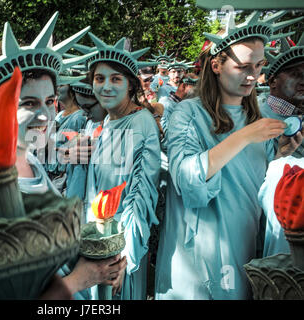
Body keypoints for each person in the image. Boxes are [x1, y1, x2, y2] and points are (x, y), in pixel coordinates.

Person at [0, 12, 126, 300]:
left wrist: (102, 253)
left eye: (50, 101)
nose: (45, 115)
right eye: (28, 102)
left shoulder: (29, 161)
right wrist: (81, 279)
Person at [155, 11, 303, 300]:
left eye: (258, 66)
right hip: (196, 253)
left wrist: (279, 156)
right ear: (216, 65)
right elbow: (187, 179)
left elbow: (249, 186)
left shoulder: (254, 117)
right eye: (243, 67)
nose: (252, 76)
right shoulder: (189, 112)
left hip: (244, 243)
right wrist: (245, 136)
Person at [80, 34, 162, 300]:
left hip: (119, 249)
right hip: (95, 240)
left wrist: (124, 254)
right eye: (100, 78)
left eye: (116, 79)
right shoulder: (105, 122)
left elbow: (141, 193)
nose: (106, 86)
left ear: (130, 85)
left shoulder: (140, 123)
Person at [259, 33, 304, 158]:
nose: (303, 81)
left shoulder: (297, 113)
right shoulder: (254, 116)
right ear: (273, 81)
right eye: (295, 74)